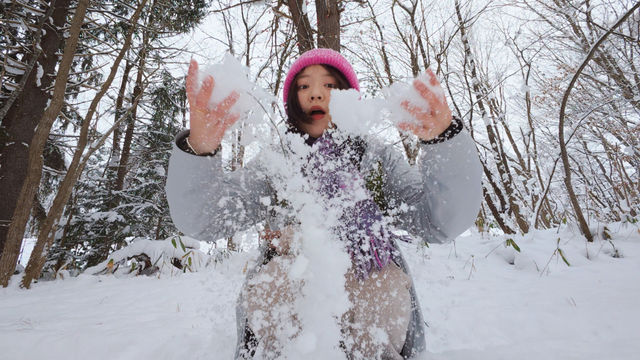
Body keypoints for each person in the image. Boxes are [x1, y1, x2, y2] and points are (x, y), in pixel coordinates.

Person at [166, 48, 482, 359]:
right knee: (276, 286)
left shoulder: (376, 158)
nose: (316, 93)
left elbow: (440, 222)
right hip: (290, 280)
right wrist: (200, 149)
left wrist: (444, 141)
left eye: (329, 85)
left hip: (371, 275)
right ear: (292, 101)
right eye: (303, 86)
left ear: (349, 97)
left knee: (380, 293)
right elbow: (206, 220)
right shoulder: (275, 161)